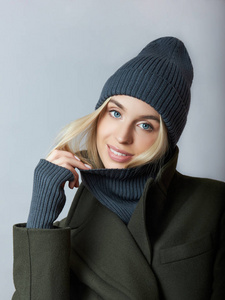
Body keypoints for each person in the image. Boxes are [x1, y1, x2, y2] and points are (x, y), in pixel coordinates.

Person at [12, 37, 225, 300]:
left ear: (167, 139)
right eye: (115, 113)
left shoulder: (213, 202)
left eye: (145, 125)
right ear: (99, 115)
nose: (122, 136)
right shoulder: (69, 230)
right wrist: (40, 221)